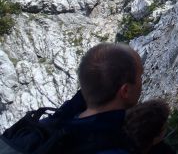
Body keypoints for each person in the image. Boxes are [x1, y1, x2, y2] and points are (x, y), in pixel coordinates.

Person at [2, 43, 143, 153]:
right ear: (125, 90)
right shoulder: (112, 144)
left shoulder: (47, 127)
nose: (141, 82)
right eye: (140, 77)